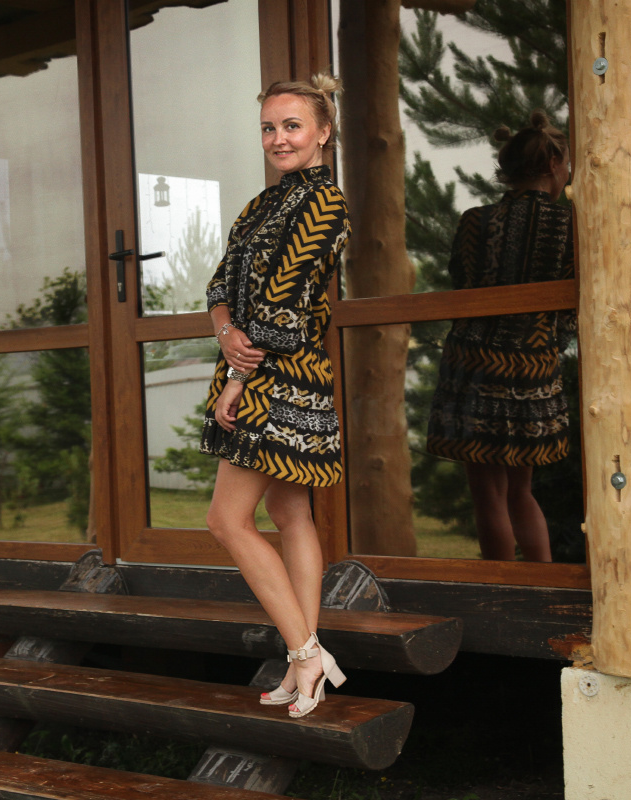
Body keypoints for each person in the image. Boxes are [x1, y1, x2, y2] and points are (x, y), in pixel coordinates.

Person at [199, 74, 350, 718]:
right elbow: (220, 284)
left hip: (280, 380)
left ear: (323, 132)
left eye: (292, 126)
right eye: (269, 127)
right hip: (257, 367)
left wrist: (238, 373)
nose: (279, 138)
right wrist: (225, 334)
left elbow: (284, 301)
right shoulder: (259, 206)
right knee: (291, 515)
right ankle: (302, 664)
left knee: (226, 520)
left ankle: (306, 652)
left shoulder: (326, 204)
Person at [425, 110, 576, 562]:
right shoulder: (568, 224)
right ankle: (540, 587)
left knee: (487, 493)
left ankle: (501, 587)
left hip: (473, 364)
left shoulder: (476, 220)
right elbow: (571, 302)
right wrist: (545, 344)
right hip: (532, 365)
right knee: (521, 490)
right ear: (553, 164)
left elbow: (461, 283)